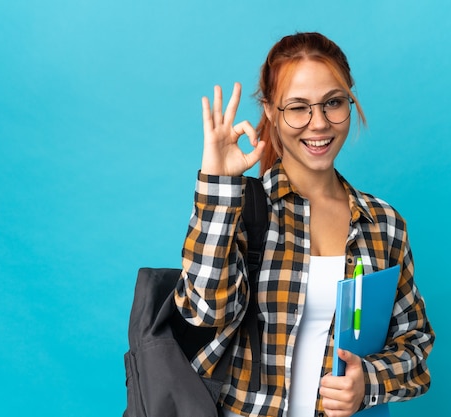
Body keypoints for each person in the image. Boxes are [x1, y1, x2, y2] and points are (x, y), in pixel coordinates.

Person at [175, 32, 434, 417]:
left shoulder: (384, 224)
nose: (319, 124)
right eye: (298, 107)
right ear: (270, 110)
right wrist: (217, 186)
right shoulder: (242, 207)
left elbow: (414, 343)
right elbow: (205, 311)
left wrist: (367, 380)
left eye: (333, 103)